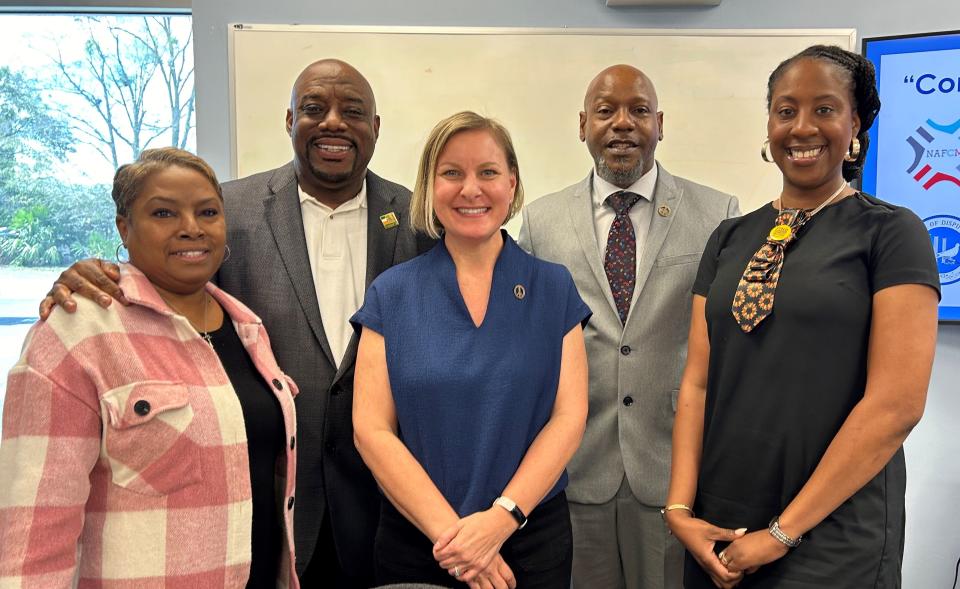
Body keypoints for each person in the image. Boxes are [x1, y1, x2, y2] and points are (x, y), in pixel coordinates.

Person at [37, 59, 434, 588]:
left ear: (376, 127)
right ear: (289, 120)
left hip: (385, 502)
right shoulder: (229, 211)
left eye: (353, 111)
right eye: (314, 109)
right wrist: (97, 272)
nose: (333, 122)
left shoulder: (418, 218)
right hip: (259, 502)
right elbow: (167, 282)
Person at [665, 45, 940, 589]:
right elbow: (697, 383)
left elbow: (896, 406)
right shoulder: (728, 237)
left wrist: (781, 534)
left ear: (855, 122)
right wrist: (680, 510)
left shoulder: (890, 233)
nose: (802, 128)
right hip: (719, 526)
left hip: (832, 537)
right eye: (786, 110)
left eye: (825, 109)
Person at [0, 148, 299, 588]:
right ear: (125, 227)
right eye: (163, 212)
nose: (191, 228)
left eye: (208, 212)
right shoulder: (78, 332)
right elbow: (35, 523)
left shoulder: (248, 329)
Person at [518, 64, 739, 589]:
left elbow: (730, 343)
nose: (622, 124)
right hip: (574, 470)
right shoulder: (540, 222)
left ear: (660, 123)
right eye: (605, 111)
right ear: (581, 125)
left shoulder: (718, 215)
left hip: (675, 473)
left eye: (638, 110)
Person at [351, 111, 591, 588]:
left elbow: (568, 417)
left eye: (488, 172)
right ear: (429, 185)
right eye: (452, 173)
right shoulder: (392, 293)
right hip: (420, 542)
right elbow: (371, 429)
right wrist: (460, 544)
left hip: (528, 539)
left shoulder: (553, 287)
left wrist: (501, 520)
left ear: (512, 182)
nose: (471, 189)